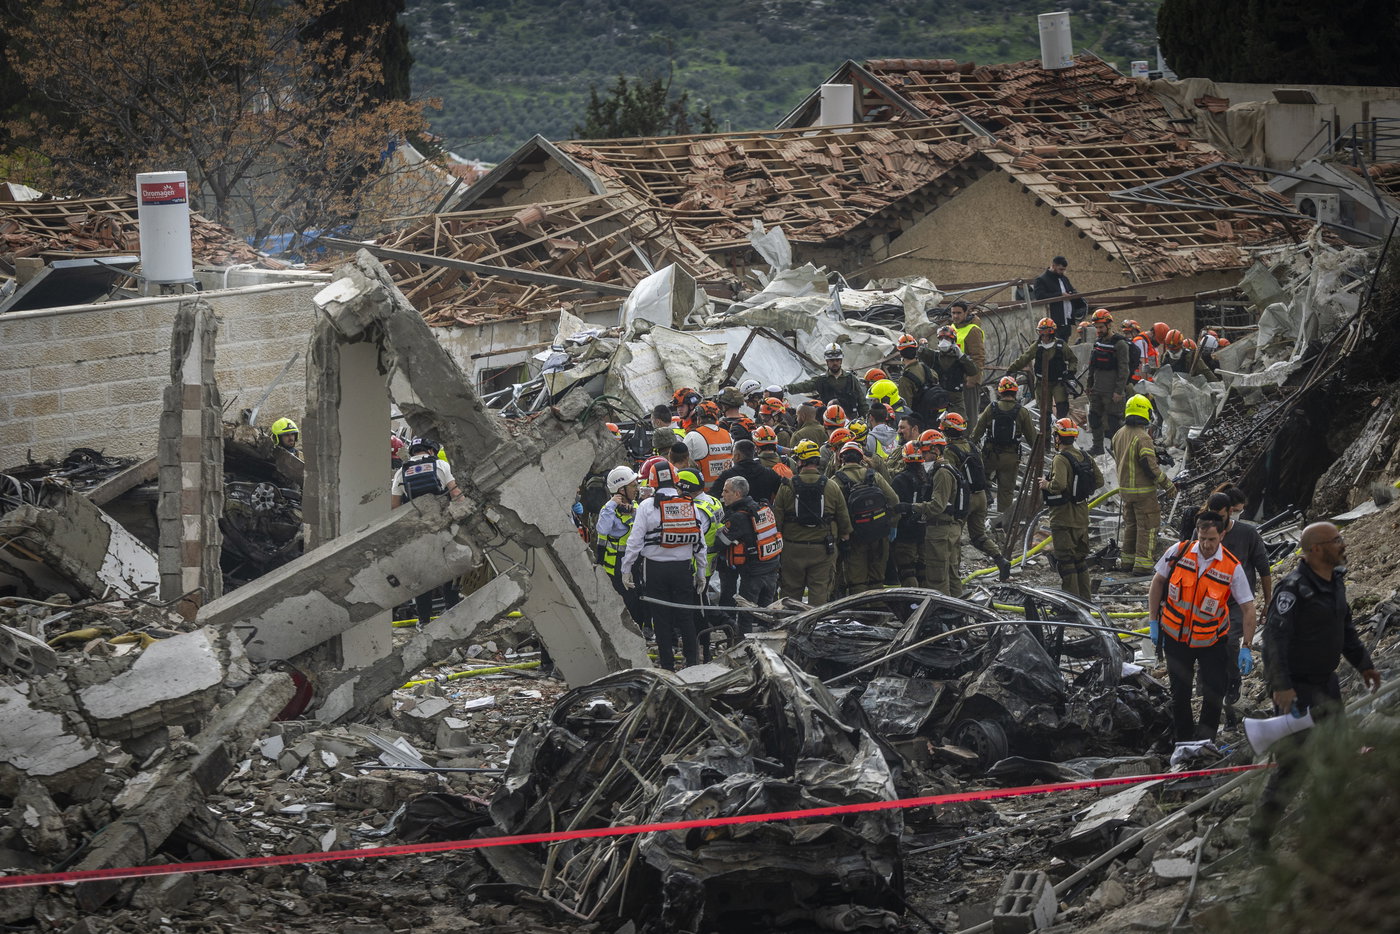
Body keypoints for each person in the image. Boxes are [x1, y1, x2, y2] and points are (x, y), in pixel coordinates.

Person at [1251, 521, 1381, 846]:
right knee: (1293, 766)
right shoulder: (1292, 590)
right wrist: (1280, 686)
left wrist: (1364, 665)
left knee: (1339, 755)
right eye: (1336, 540)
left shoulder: (1335, 582)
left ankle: (1331, 831)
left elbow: (1346, 629)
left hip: (1327, 683)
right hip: (1296, 689)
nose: (1343, 544)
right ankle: (1259, 838)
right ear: (1317, 549)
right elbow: (1274, 641)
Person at [1148, 512, 1256, 743]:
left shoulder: (1231, 567)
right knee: (1180, 694)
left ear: (1222, 535)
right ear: (1197, 532)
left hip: (1211, 642)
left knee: (1213, 694)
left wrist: (1246, 645)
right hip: (1176, 639)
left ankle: (1204, 743)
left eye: (1212, 540)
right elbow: (1157, 582)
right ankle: (1184, 743)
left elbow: (1248, 607)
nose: (1206, 545)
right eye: (1202, 538)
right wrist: (1153, 620)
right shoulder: (1179, 552)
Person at [621, 462, 710, 671]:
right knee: (686, 616)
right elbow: (700, 542)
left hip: (655, 570)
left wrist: (626, 568)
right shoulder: (689, 504)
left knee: (660, 619)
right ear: (676, 480)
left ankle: (667, 665)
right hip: (682, 569)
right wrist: (701, 572)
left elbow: (635, 541)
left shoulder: (646, 506)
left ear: (652, 481)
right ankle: (692, 663)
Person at [391, 437, 465, 624]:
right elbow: (456, 494)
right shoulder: (441, 465)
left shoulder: (402, 471)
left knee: (423, 577)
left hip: (418, 532)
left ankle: (424, 621)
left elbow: (394, 507)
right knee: (450, 572)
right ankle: (453, 616)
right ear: (431, 450)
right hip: (443, 528)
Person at [1212, 486, 1273, 707]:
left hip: (1238, 601)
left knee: (1229, 642)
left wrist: (1268, 602)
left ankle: (1233, 681)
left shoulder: (1247, 534)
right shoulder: (1205, 531)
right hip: (1210, 601)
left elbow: (1264, 568)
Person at [771, 439, 851, 605]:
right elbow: (843, 520)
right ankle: (815, 625)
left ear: (799, 461)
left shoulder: (786, 486)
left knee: (790, 593)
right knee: (819, 591)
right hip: (823, 549)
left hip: (792, 549)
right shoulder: (831, 486)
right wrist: (843, 537)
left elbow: (776, 521)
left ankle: (789, 625)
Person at [940, 411, 1011, 580]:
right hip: (981, 497)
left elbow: (951, 476)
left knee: (954, 536)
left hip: (966, 499)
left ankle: (954, 574)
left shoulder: (950, 450)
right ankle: (1000, 559)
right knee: (979, 535)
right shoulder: (971, 446)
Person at [1112, 393, 1177, 575]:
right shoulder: (1142, 437)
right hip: (1143, 491)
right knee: (1147, 527)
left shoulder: (1119, 434)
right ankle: (1143, 565)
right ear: (1146, 413)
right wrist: (1168, 484)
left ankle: (1127, 561)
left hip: (1125, 490)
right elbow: (1149, 466)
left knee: (1131, 525)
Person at [1039, 418, 1102, 600]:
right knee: (1080, 559)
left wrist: (1045, 484)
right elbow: (1099, 481)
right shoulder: (1085, 456)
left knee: (1066, 561)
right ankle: (1085, 600)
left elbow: (1058, 485)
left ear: (1058, 437)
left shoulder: (1061, 459)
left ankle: (1071, 603)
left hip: (1063, 516)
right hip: (1081, 515)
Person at [901, 429, 967, 597]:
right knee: (952, 576)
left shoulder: (942, 473)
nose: (922, 457)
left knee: (937, 579)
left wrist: (912, 507)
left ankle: (942, 616)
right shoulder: (944, 469)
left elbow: (937, 506)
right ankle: (958, 616)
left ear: (936, 450)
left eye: (924, 452)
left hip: (940, 532)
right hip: (947, 529)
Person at [716, 475, 783, 632]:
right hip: (772, 568)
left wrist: (718, 528)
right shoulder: (762, 508)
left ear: (737, 494)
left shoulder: (738, 517)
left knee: (745, 614)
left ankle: (743, 646)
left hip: (753, 573)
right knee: (766, 614)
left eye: (726, 491)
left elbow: (720, 543)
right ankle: (767, 643)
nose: (722, 495)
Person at [972, 375, 1039, 530]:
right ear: (1015, 392)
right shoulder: (1022, 412)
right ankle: (1003, 526)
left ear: (1000, 392)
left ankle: (980, 518)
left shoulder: (992, 408)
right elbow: (1033, 439)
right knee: (1006, 492)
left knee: (981, 485)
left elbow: (977, 432)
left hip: (990, 455)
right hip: (1011, 457)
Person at [833, 441, 898, 594]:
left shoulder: (836, 481)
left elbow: (834, 512)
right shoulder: (873, 475)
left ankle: (861, 615)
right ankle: (879, 614)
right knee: (877, 580)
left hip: (854, 538)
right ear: (861, 458)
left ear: (842, 459)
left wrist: (842, 535)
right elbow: (894, 500)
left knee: (857, 582)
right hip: (879, 534)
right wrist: (891, 524)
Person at [595, 465, 651, 638]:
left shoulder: (635, 507)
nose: (637, 489)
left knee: (640, 597)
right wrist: (611, 505)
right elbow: (602, 529)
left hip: (636, 561)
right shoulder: (609, 510)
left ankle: (644, 629)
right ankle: (630, 635)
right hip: (617, 565)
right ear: (621, 489)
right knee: (628, 601)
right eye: (633, 486)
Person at [1081, 308, 1129, 455]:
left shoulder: (1120, 344)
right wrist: (1089, 386)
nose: (1098, 330)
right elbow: (1092, 366)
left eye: (1101, 327)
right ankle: (1098, 447)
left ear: (1109, 325)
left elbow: (1124, 369)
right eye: (1096, 328)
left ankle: (1117, 449)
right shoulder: (1098, 343)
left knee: (1114, 422)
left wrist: (1118, 391)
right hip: (1097, 389)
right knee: (1094, 419)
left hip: (1112, 391)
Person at [1006, 317, 1075, 419]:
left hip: (1058, 383)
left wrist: (1071, 371)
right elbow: (1024, 358)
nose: (1043, 336)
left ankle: (1061, 431)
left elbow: (1073, 359)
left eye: (1045, 332)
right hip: (1042, 384)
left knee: (1062, 407)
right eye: (1041, 332)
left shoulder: (1061, 345)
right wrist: (1011, 369)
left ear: (1051, 332)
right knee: (1044, 412)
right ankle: (1046, 433)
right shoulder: (1037, 346)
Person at [787, 343, 868, 417]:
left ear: (841, 361)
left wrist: (865, 418)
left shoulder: (851, 379)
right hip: (828, 420)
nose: (835, 363)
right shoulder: (821, 380)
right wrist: (787, 388)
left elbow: (862, 401)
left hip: (849, 419)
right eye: (832, 360)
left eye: (837, 360)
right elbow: (804, 386)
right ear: (827, 361)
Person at [919, 325, 980, 420]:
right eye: (941, 338)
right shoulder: (935, 356)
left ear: (953, 341)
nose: (944, 341)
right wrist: (922, 346)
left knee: (960, 424)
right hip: (938, 397)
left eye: (947, 338)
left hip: (956, 399)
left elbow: (973, 371)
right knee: (936, 425)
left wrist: (961, 356)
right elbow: (920, 354)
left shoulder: (960, 359)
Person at [889, 441, 928, 586]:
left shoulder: (899, 480)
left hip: (905, 532)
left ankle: (913, 605)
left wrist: (892, 527)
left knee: (907, 570)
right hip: (923, 530)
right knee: (922, 570)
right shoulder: (927, 477)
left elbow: (894, 507)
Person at [708, 438, 781, 504]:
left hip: (736, 516)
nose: (732, 458)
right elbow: (782, 493)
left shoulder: (727, 476)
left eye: (733, 455)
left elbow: (712, 497)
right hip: (763, 515)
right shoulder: (769, 473)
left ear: (737, 456)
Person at [1031, 255, 1086, 341]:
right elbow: (1040, 296)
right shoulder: (1041, 280)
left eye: (1064, 270)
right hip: (1052, 323)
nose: (1062, 272)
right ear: (1053, 266)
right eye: (1060, 269)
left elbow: (1071, 290)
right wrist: (1060, 295)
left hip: (1066, 322)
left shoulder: (1064, 279)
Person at [683, 400, 734, 486]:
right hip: (728, 491)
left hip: (702, 494)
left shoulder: (692, 436)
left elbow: (683, 465)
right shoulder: (728, 435)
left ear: (698, 419)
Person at [949, 300, 986, 417]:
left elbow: (978, 357)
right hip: (955, 379)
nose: (955, 316)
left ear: (966, 313)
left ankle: (971, 435)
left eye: (959, 313)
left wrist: (973, 379)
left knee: (969, 413)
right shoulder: (952, 328)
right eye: (953, 313)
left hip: (968, 380)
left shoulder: (973, 330)